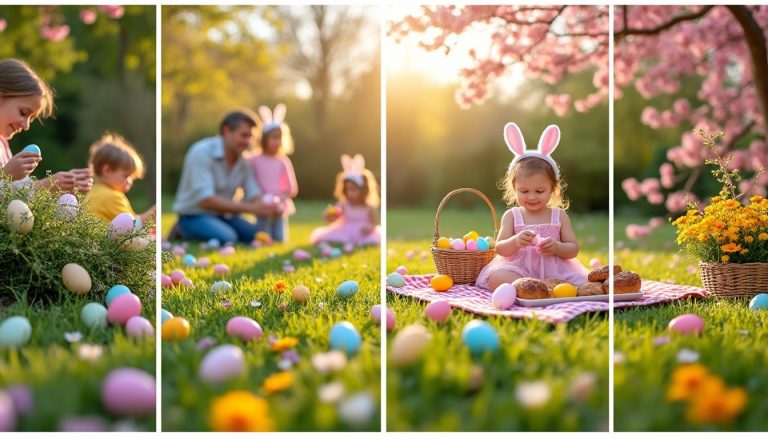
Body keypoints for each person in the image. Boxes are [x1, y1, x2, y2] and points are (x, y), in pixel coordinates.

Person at [476, 123, 589, 291]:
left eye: (539, 191)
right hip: (520, 271)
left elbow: (573, 249)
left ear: (553, 188)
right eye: (524, 190)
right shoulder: (512, 215)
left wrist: (557, 247)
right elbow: (500, 248)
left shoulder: (559, 216)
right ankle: (534, 288)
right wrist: (515, 241)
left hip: (556, 272)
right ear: (514, 189)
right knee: (497, 278)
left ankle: (544, 288)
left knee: (581, 282)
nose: (531, 196)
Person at [172, 110, 280, 244]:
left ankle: (218, 228)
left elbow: (254, 193)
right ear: (226, 130)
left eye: (251, 137)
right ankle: (180, 228)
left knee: (256, 234)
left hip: (226, 216)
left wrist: (270, 205)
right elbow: (206, 200)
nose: (248, 141)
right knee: (227, 237)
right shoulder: (201, 152)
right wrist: (252, 208)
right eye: (244, 135)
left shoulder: (244, 161)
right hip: (195, 214)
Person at [0, 58, 92, 193]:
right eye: (23, 112)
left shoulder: (3, 146)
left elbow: (13, 194)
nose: (26, 126)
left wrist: (53, 185)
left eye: (31, 119)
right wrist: (6, 175)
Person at [249, 103, 298, 243]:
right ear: (264, 139)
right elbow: (249, 180)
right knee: (262, 233)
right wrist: (261, 200)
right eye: (273, 138)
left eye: (279, 138)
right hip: (262, 203)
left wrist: (279, 200)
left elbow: (291, 188)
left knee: (279, 236)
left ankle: (277, 243)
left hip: (279, 205)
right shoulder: (254, 159)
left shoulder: (282, 161)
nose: (277, 141)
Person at [310, 153, 380, 246]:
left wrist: (369, 228)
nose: (349, 193)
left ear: (363, 190)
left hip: (362, 233)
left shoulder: (369, 207)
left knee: (372, 240)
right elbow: (334, 216)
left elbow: (374, 222)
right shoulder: (344, 204)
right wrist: (330, 215)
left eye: (353, 190)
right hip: (344, 231)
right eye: (347, 190)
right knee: (336, 238)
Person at [84, 132, 155, 223]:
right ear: (107, 170)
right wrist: (152, 214)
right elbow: (132, 226)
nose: (129, 181)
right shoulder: (111, 196)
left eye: (131, 177)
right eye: (126, 176)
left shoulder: (93, 193)